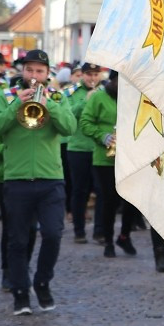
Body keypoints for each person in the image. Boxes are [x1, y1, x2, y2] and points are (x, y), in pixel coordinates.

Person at [0, 49, 76, 316]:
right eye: (29, 70)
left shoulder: (58, 97)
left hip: (51, 179)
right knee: (17, 240)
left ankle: (42, 281)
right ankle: (21, 292)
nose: (34, 76)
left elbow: (70, 128)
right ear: (22, 72)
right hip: (17, 179)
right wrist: (16, 106)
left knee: (52, 234)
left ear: (47, 74)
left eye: (39, 71)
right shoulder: (5, 96)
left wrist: (52, 107)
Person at [80, 71, 141, 258]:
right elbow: (85, 122)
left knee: (131, 201)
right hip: (105, 159)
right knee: (109, 201)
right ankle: (108, 240)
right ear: (113, 81)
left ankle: (124, 236)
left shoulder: (134, 97)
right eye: (120, 82)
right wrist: (103, 136)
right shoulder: (98, 97)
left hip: (130, 157)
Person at [65, 63, 104, 244]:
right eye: (89, 75)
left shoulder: (105, 92)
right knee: (79, 191)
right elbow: (68, 115)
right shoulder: (71, 92)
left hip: (99, 149)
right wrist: (86, 101)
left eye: (96, 75)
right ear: (82, 75)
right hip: (78, 148)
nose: (93, 79)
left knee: (101, 191)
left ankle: (100, 231)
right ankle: (79, 231)